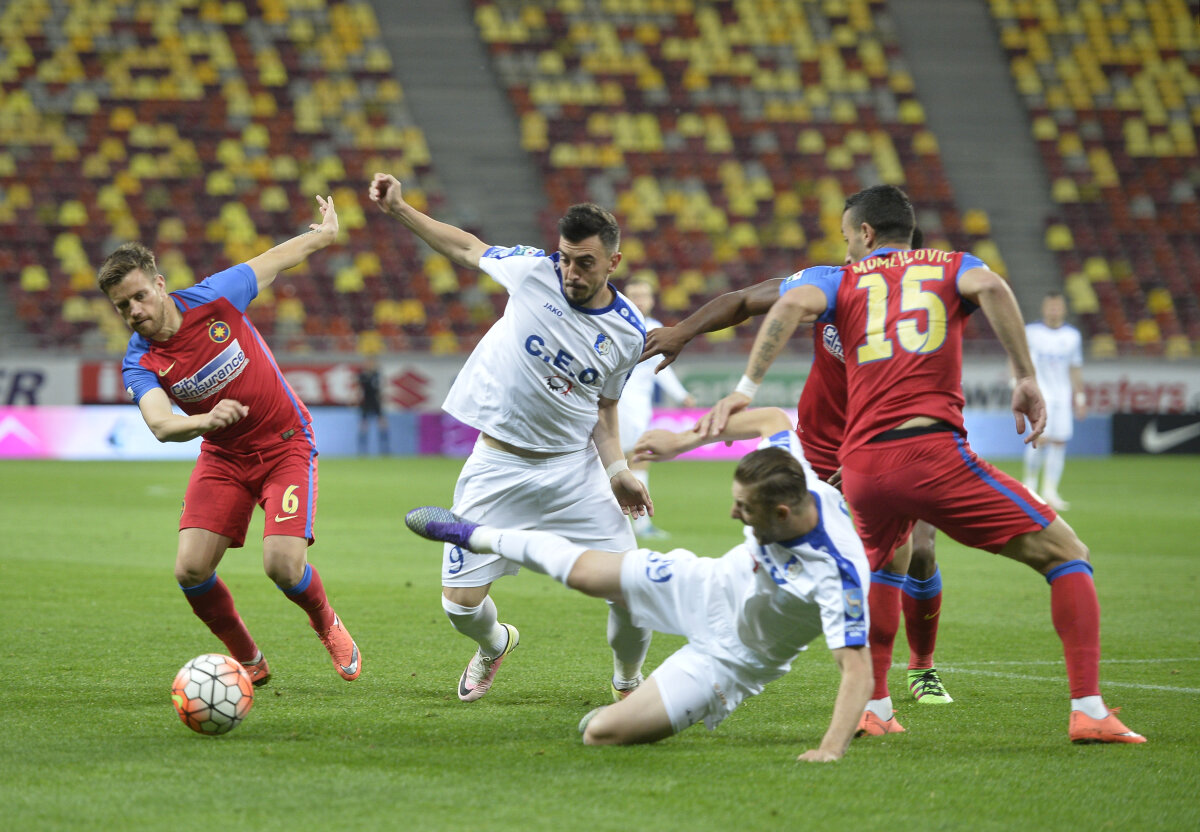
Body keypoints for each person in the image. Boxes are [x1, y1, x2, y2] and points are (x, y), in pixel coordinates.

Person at [704, 184, 1143, 744]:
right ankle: (1088, 709)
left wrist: (745, 387)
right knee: (1067, 555)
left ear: (865, 234)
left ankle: (877, 706)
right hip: (929, 452)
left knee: (887, 565)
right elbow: (991, 286)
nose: (845, 251)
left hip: (859, 463)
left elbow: (787, 304)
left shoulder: (844, 281)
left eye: (846, 239)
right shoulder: (951, 265)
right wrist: (1024, 377)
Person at [405, 407, 873, 762]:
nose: (734, 514)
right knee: (593, 574)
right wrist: (682, 441)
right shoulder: (791, 473)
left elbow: (857, 671)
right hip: (706, 583)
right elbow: (771, 418)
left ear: (784, 515)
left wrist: (829, 751)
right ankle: (473, 534)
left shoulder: (838, 573)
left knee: (600, 733)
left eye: (744, 510)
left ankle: (627, 697)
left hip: (731, 657)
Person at [641, 228, 951, 737]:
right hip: (817, 450)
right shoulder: (827, 284)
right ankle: (873, 698)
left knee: (918, 550)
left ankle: (921, 666)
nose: (855, 250)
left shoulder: (926, 308)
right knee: (825, 559)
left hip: (882, 446)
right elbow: (743, 301)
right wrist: (683, 330)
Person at [369, 173, 654, 702]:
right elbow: (465, 246)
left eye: (585, 262)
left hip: (574, 472)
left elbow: (605, 408)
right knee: (459, 605)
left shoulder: (628, 332)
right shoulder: (533, 271)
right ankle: (494, 644)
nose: (570, 271)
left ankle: (627, 682)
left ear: (613, 263)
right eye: (566, 258)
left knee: (632, 592)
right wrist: (402, 210)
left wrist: (619, 473)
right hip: (498, 466)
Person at [97, 196, 361, 687]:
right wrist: (208, 422)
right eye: (122, 307)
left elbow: (275, 260)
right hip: (223, 456)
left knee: (282, 566)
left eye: (139, 297)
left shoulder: (215, 296)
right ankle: (248, 656)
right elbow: (159, 424)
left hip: (285, 444)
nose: (134, 311)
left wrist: (324, 235)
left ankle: (326, 622)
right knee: (190, 569)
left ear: (159, 284)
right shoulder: (141, 361)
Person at [618, 278, 695, 539]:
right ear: (625, 298)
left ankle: (634, 524)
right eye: (634, 295)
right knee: (632, 459)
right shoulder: (614, 323)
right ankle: (636, 525)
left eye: (644, 295)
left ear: (652, 300)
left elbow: (661, 368)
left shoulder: (655, 328)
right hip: (615, 405)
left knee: (632, 460)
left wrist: (680, 395)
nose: (639, 300)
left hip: (639, 406)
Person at [1022, 292, 1085, 511]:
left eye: (1058, 306)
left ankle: (1050, 491)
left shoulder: (1072, 336)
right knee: (1041, 438)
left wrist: (1080, 396)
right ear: (1044, 308)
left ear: (1064, 309)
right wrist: (1017, 384)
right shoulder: (1031, 332)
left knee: (1059, 442)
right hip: (1040, 393)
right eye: (1050, 306)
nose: (1054, 310)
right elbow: (1016, 357)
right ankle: (1029, 486)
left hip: (1062, 394)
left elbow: (1075, 367)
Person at [356, 354, 390, 455]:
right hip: (366, 402)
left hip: (376, 402)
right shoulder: (362, 376)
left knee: (382, 425)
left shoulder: (377, 375)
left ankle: (385, 449)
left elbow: (381, 389)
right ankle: (362, 450)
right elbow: (359, 390)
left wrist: (383, 399)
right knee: (363, 426)